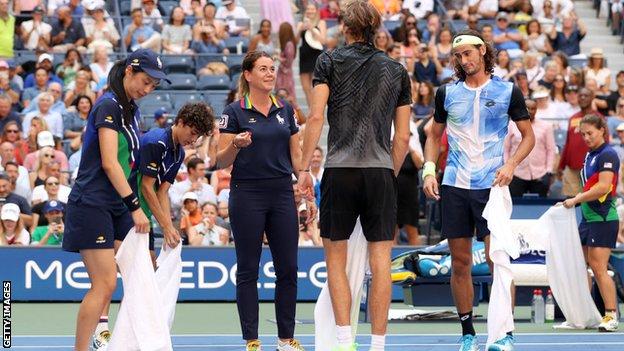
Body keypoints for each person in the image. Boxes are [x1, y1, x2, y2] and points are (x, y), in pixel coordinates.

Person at [298, 1, 411, 350]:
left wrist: (303, 169)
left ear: (346, 28)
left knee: (336, 260)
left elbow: (316, 118)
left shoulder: (329, 61)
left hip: (340, 170)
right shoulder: (396, 69)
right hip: (379, 171)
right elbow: (403, 137)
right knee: (380, 262)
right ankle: (377, 345)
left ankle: (345, 340)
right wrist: (387, 174)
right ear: (376, 29)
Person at [422, 29, 534, 351]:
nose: (463, 60)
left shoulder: (508, 91)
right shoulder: (446, 93)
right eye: (458, 56)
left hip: (492, 186)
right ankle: (468, 332)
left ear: (483, 51)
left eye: (468, 53)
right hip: (454, 184)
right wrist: (430, 170)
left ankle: (503, 333)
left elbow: (528, 136)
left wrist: (511, 165)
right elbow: (433, 136)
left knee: (497, 259)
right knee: (459, 262)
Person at [61, 48, 168, 351]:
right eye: (144, 81)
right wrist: (136, 207)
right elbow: (110, 163)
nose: (147, 90)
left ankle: (129, 342)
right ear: (129, 72)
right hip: (93, 202)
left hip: (117, 203)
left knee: (140, 271)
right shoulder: (108, 105)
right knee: (105, 283)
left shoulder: (130, 109)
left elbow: (131, 165)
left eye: (152, 86)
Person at [218, 50, 310, 351]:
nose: (270, 73)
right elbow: (219, 161)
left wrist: (306, 183)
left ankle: (285, 339)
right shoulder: (233, 112)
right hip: (247, 194)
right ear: (248, 75)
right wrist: (235, 143)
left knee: (288, 269)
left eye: (272, 68)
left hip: (283, 192)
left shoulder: (285, 109)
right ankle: (252, 340)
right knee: (247, 269)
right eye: (263, 69)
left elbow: (296, 155)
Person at [561, 114, 620, 332]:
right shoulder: (590, 155)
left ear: (602, 130)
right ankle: (585, 315)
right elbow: (588, 188)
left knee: (598, 267)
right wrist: (574, 202)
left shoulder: (608, 154)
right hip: (588, 218)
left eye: (590, 133)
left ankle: (611, 316)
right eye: (583, 134)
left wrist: (575, 199)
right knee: (580, 266)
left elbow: (604, 187)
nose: (586, 137)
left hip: (603, 218)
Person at [133, 102, 214, 255]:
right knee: (137, 266)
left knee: (149, 265)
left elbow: (163, 191)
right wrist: (166, 227)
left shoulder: (180, 154)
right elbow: (146, 186)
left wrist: (169, 229)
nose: (194, 140)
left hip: (146, 212)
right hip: (130, 209)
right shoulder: (157, 141)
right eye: (193, 132)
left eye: (198, 136)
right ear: (181, 122)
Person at [505, 99, 556, 197]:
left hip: (540, 173)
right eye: (527, 108)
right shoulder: (511, 125)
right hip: (516, 173)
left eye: (533, 109)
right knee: (515, 206)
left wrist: (548, 170)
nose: (530, 111)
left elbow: (550, 149)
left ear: (536, 110)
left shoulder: (546, 126)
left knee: (540, 207)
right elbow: (506, 148)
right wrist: (507, 166)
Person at [558, 88, 602, 197]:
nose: (582, 98)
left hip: (592, 168)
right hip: (572, 169)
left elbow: (604, 144)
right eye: (580, 95)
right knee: (570, 203)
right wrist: (561, 165)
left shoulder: (599, 118)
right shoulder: (573, 118)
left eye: (586, 95)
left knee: (590, 202)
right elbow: (568, 143)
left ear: (592, 98)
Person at [297, 3, 326, 108]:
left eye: (312, 9)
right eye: (308, 9)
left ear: (316, 10)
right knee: (306, 88)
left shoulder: (321, 23)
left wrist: (312, 29)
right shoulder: (301, 24)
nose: (310, 11)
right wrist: (299, 29)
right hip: (304, 56)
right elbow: (295, 41)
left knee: (315, 86)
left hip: (316, 56)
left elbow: (323, 40)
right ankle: (311, 110)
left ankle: (316, 109)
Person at [276, 22, 297, 100]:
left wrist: (278, 58)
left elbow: (289, 61)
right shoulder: (286, 44)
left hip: (285, 75)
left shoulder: (289, 45)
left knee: (286, 96)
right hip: (283, 73)